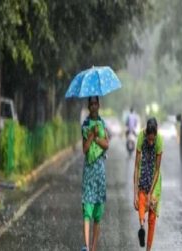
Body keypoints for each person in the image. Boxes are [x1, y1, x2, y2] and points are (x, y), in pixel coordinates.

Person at [81, 96, 109, 251]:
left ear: (98, 105)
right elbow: (84, 149)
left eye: (95, 103)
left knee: (98, 212)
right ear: (88, 106)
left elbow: (107, 144)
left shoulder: (103, 123)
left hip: (100, 172)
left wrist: (97, 137)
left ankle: (93, 248)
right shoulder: (85, 125)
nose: (93, 106)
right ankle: (86, 245)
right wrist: (91, 134)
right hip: (89, 172)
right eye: (90, 104)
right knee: (87, 209)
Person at [133, 117, 163, 251]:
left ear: (155, 134)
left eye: (153, 139)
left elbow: (157, 170)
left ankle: (148, 249)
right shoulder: (140, 136)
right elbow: (136, 166)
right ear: (146, 134)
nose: (151, 142)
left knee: (152, 216)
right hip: (142, 176)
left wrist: (151, 192)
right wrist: (134, 194)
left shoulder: (159, 140)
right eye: (149, 139)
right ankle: (141, 227)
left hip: (154, 181)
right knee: (140, 204)